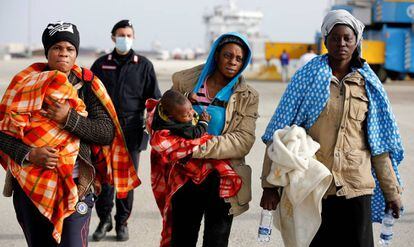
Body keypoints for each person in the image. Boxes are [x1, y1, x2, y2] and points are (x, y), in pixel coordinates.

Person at [260, 10, 404, 247]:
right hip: (315, 186)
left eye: (347, 38)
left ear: (356, 40)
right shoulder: (306, 78)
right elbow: (277, 135)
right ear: (325, 40)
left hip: (356, 187)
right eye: (335, 38)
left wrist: (392, 193)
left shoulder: (368, 84)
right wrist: (269, 187)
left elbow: (380, 145)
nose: (342, 44)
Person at [0, 21, 139, 247]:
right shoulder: (24, 84)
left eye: (70, 49)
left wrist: (69, 119)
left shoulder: (87, 85)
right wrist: (29, 154)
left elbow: (106, 132)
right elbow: (3, 134)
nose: (63, 54)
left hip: (76, 185)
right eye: (57, 48)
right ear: (47, 52)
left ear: (75, 54)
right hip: (30, 187)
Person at [150, 32, 259, 247]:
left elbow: (243, 140)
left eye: (239, 59)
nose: (233, 62)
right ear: (216, 55)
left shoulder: (248, 95)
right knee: (182, 238)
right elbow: (164, 116)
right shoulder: (186, 82)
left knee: (216, 240)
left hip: (222, 177)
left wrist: (196, 147)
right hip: (184, 175)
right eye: (228, 55)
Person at [90, 19, 161, 241]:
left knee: (126, 180)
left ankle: (122, 222)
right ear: (113, 37)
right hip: (104, 130)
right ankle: (104, 220)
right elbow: (89, 96)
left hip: (131, 131)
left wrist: (155, 127)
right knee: (103, 179)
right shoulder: (101, 64)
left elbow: (154, 100)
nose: (125, 39)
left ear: (134, 37)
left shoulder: (144, 65)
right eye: (121, 35)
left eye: (128, 35)